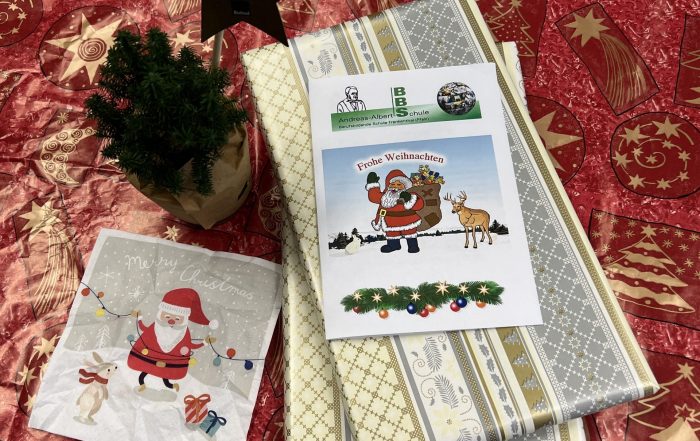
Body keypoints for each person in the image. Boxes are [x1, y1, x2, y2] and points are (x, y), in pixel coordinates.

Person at [127, 288, 218, 392]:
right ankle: (142, 384)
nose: (171, 321)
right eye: (167, 316)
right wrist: (139, 317)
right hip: (148, 358)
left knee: (165, 374)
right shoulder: (155, 327)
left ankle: (172, 386)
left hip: (169, 364)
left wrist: (204, 342)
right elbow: (143, 328)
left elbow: (191, 345)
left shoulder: (183, 334)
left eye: (177, 319)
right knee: (146, 370)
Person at [366, 169, 424, 253]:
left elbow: (419, 205)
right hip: (390, 222)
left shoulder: (409, 195)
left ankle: (413, 246)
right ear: (388, 185)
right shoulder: (385, 197)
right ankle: (394, 246)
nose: (395, 186)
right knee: (392, 233)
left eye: (399, 184)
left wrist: (409, 198)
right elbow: (374, 197)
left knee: (410, 232)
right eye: (392, 184)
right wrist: (373, 184)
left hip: (408, 221)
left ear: (405, 186)